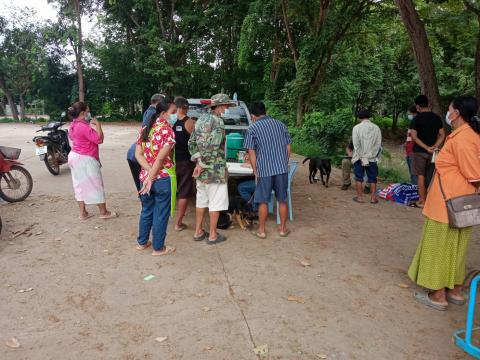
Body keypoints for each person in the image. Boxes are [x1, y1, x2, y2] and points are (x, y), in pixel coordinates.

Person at [408, 96, 480, 311]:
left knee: (438, 247)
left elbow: (474, 173)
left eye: (449, 109)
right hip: (462, 204)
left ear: (456, 113)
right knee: (456, 247)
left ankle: (438, 295)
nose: (448, 113)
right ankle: (455, 291)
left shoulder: (463, 138)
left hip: (449, 202)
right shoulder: (467, 135)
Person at [134, 95, 177, 256]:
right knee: (161, 213)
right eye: (173, 111)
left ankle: (142, 242)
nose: (175, 115)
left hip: (144, 177)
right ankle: (159, 248)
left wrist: (148, 173)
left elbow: (138, 155)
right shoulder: (168, 131)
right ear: (164, 113)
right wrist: (152, 177)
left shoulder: (145, 128)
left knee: (146, 210)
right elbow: (160, 159)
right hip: (161, 179)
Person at [188, 93, 233, 245]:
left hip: (201, 171)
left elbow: (192, 142)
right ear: (219, 106)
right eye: (226, 105)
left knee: (201, 201)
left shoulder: (200, 119)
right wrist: (203, 164)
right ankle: (213, 235)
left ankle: (198, 231)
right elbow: (213, 146)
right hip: (215, 170)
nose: (227, 108)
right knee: (216, 203)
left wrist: (198, 161)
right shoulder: (217, 121)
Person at [244, 101, 292, 239]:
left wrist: (255, 171)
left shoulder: (252, 128)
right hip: (281, 169)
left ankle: (261, 231)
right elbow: (288, 147)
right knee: (282, 200)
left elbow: (251, 152)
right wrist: (283, 162)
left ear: (253, 115)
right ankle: (283, 229)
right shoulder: (281, 125)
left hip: (264, 171)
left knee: (263, 201)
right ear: (265, 111)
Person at [67, 102, 116, 220]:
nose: (90, 114)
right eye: (88, 111)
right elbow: (99, 139)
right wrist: (98, 125)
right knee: (96, 185)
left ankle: (83, 213)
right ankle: (104, 212)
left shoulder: (72, 125)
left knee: (79, 185)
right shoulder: (83, 127)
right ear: (83, 113)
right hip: (85, 158)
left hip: (74, 156)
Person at [410, 95, 445, 206]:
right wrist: (434, 146)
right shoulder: (436, 118)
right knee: (430, 175)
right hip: (433, 153)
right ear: (428, 103)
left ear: (418, 106)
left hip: (420, 151)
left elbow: (414, 137)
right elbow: (442, 134)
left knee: (420, 175)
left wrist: (425, 147)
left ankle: (422, 200)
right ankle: (430, 200)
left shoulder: (416, 119)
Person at [127, 94, 164, 191]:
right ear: (159, 103)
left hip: (134, 153)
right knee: (145, 185)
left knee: (143, 184)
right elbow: (147, 135)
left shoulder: (149, 111)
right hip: (138, 154)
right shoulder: (153, 113)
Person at [172, 96, 196, 231]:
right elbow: (197, 143)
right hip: (185, 163)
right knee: (184, 192)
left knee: (170, 191)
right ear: (184, 108)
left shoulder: (167, 122)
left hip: (170, 162)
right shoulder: (190, 122)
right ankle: (178, 223)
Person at [351, 109, 382, 204]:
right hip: (372, 158)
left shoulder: (356, 128)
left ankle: (360, 198)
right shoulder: (376, 128)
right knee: (372, 178)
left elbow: (356, 145)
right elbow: (378, 144)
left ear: (359, 117)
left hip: (359, 158)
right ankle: (373, 198)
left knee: (359, 177)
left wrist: (362, 157)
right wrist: (370, 155)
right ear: (369, 116)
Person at [405, 105, 418, 185]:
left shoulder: (417, 121)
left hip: (413, 151)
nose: (408, 115)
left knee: (414, 173)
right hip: (409, 149)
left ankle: (414, 190)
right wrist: (406, 142)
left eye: (409, 113)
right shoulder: (413, 121)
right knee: (412, 172)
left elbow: (415, 137)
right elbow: (410, 136)